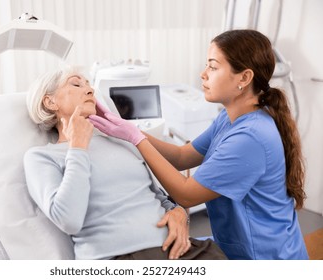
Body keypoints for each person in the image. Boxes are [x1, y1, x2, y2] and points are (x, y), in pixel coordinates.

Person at [89, 29, 309, 260]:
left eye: (213, 67)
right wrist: (130, 130)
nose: (203, 74)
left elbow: (186, 194)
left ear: (244, 78)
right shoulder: (229, 118)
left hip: (266, 258)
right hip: (240, 247)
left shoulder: (250, 137)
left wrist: (137, 140)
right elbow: (182, 156)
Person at [23, 66, 227, 260]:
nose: (90, 89)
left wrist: (179, 212)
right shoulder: (41, 157)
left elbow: (158, 197)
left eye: (88, 84)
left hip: (178, 251)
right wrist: (78, 147)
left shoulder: (120, 142)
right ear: (50, 102)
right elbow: (69, 220)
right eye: (76, 84)